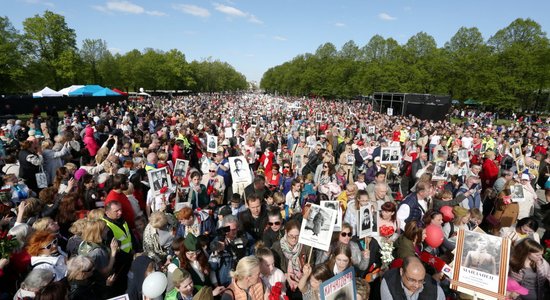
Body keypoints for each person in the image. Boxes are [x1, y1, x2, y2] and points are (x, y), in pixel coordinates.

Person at [380, 256, 445, 300]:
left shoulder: (435, 290)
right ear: (402, 272)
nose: (416, 285)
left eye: (421, 281)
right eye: (411, 280)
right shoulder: (389, 281)